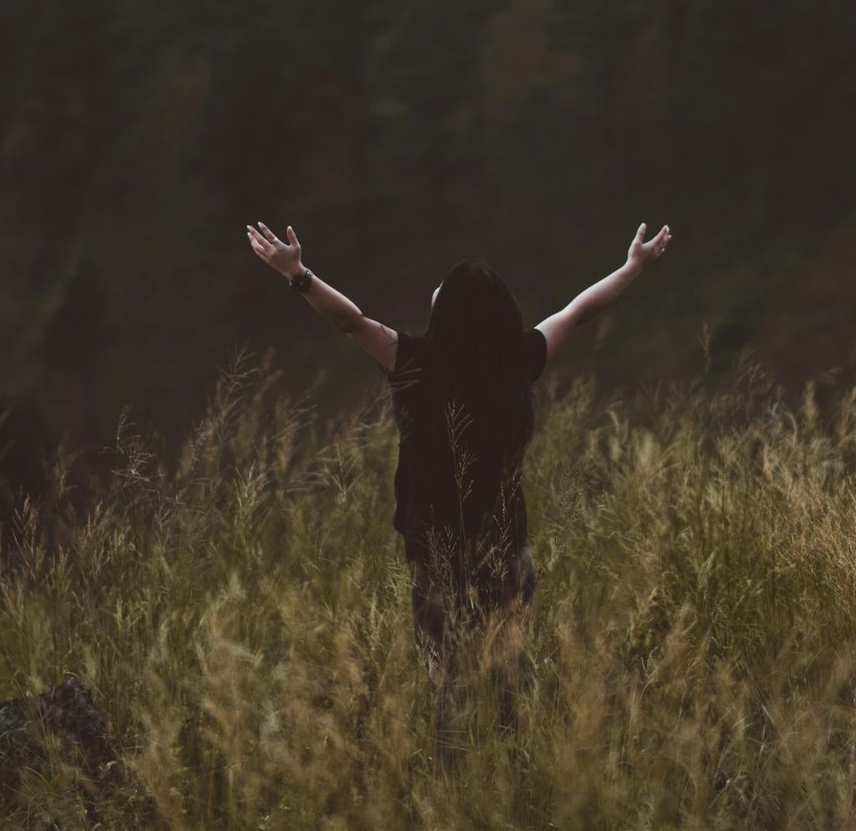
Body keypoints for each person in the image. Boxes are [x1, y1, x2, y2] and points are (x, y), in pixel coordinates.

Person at [245, 220, 673, 765]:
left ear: (445, 310)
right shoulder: (519, 361)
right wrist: (633, 267)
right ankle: (512, 790)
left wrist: (297, 274)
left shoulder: (415, 362)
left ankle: (456, 799)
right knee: (506, 690)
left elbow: (348, 322)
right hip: (506, 550)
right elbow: (579, 311)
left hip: (436, 555)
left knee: (449, 694)